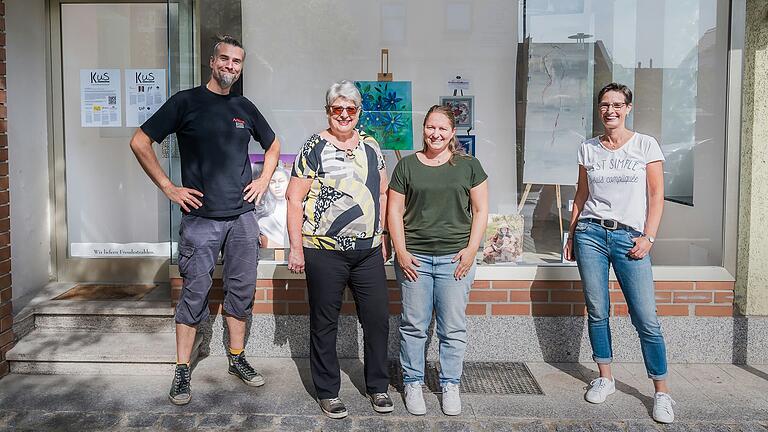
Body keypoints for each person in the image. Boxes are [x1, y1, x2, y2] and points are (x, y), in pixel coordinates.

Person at [129, 35, 281, 405]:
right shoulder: (186, 102)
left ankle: (236, 357)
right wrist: (169, 187)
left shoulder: (245, 107)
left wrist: (262, 180)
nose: (230, 66)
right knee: (194, 292)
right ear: (212, 62)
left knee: (241, 291)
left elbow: (273, 145)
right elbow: (139, 141)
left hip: (243, 219)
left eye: (237, 62)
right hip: (201, 219)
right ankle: (183, 368)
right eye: (225, 59)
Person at [563, 82, 675, 424]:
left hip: (631, 239)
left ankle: (661, 392)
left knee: (646, 318)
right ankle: (605, 377)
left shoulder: (645, 145)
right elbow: (582, 194)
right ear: (599, 109)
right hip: (591, 234)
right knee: (597, 309)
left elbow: (656, 197)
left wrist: (649, 237)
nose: (610, 110)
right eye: (604, 105)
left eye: (617, 105)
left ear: (627, 108)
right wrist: (572, 233)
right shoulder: (588, 148)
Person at [285, 80, 392, 419]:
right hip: (324, 251)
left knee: (377, 321)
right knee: (324, 322)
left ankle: (377, 386)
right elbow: (294, 198)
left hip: (368, 251)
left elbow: (384, 193)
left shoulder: (372, 146)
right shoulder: (314, 146)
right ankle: (328, 391)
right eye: (337, 109)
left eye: (351, 109)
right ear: (328, 111)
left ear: (359, 112)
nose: (344, 115)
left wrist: (384, 232)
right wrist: (296, 249)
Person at [388, 104, 489, 416]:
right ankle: (413, 382)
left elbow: (481, 210)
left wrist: (472, 250)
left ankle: (450, 384)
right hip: (414, 259)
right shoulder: (406, 166)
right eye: (431, 127)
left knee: (453, 328)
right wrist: (401, 252)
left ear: (452, 133)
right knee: (414, 325)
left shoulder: (469, 165)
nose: (436, 133)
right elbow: (393, 211)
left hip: (454, 259)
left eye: (442, 128)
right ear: (424, 130)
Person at [253, 164, 290, 248]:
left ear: (288, 182)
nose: (277, 186)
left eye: (281, 181)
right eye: (272, 182)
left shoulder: (295, 207)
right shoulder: (262, 209)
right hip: (267, 253)